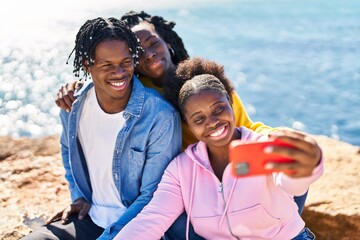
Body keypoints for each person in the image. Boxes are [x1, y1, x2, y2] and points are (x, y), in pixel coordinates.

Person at [54, 11, 314, 238]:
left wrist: (275, 138)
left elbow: (246, 128)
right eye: (138, 52)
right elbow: (107, 81)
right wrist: (74, 89)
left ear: (167, 43)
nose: (149, 53)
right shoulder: (139, 93)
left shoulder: (208, 85)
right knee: (174, 225)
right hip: (189, 182)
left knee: (287, 176)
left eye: (153, 43)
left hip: (232, 166)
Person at [114, 57, 323, 240]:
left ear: (231, 104)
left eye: (218, 109)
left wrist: (308, 166)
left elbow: (292, 183)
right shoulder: (181, 170)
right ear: (188, 123)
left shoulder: (261, 146)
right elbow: (153, 219)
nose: (212, 122)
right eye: (199, 118)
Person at [22, 17, 182, 240]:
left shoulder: (160, 116)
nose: (119, 73)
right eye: (107, 65)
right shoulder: (73, 106)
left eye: (126, 62)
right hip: (90, 218)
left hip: (137, 227)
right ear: (88, 65)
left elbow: (153, 197)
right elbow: (68, 150)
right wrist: (79, 197)